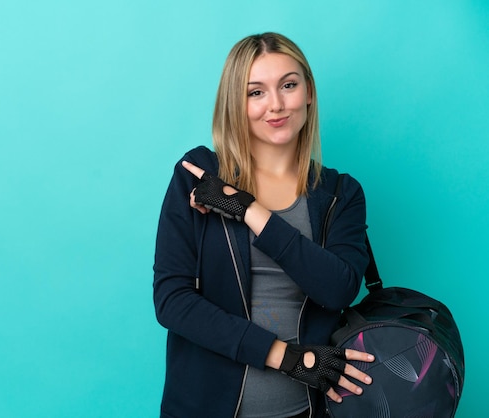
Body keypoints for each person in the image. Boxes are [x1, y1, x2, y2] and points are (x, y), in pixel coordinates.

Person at [153, 32, 374, 418]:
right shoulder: (199, 174)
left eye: (288, 85)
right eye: (255, 92)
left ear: (308, 93)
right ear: (236, 103)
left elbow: (339, 288)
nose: (275, 105)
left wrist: (248, 209)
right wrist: (287, 358)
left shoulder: (341, 193)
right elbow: (172, 301)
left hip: (306, 411)